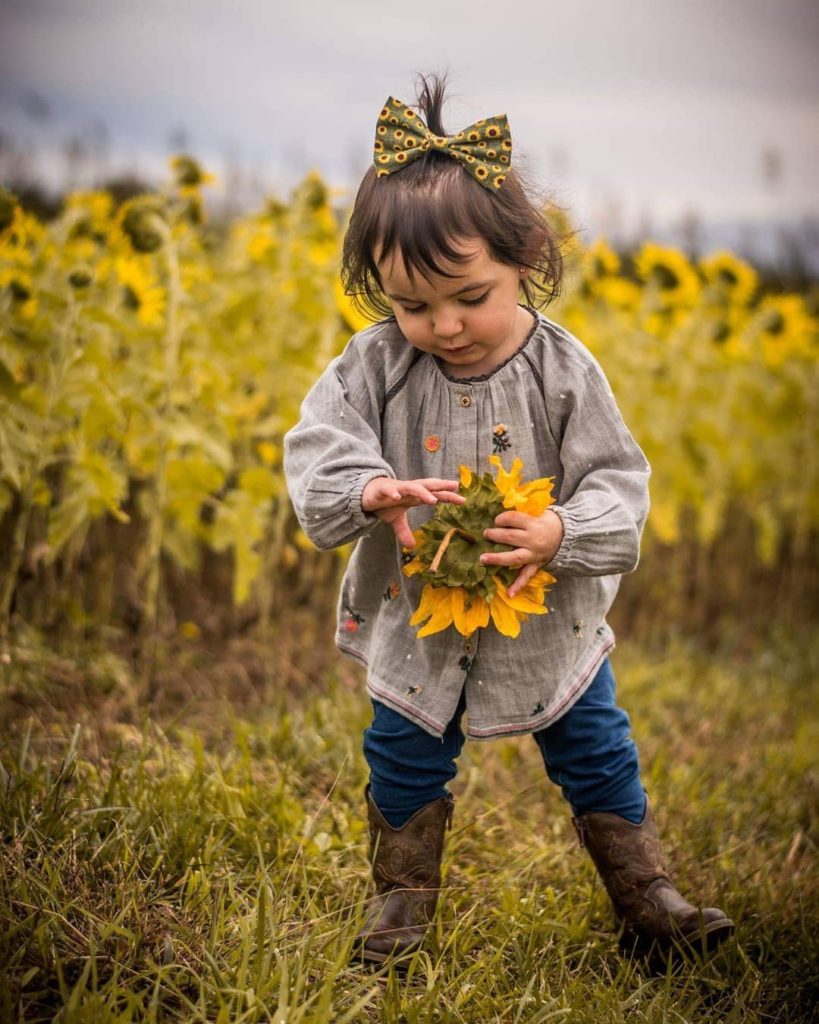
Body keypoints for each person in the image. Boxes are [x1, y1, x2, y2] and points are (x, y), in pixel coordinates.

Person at [283, 72, 733, 965]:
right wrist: (371, 488)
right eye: (410, 306)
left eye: (468, 296)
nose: (443, 325)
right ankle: (399, 907)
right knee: (402, 756)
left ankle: (648, 900)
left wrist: (562, 532)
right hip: (421, 611)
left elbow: (617, 482)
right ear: (378, 291)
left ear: (524, 261)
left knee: (594, 746)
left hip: (548, 616)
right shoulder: (372, 365)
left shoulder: (562, 370)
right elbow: (318, 443)